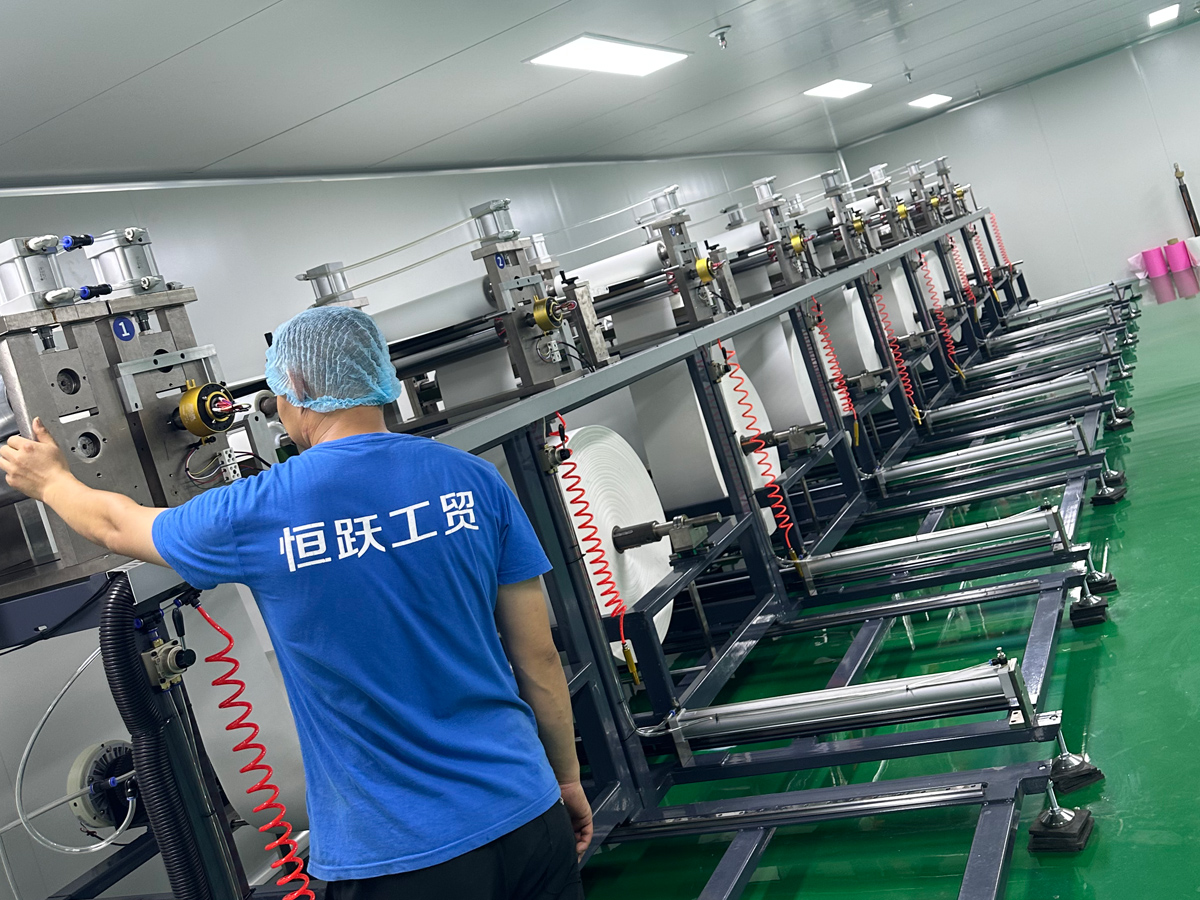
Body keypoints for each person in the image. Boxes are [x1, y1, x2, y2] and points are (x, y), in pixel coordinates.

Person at [0, 306, 590, 900]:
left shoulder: (260, 510)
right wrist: (566, 779)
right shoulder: (474, 480)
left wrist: (51, 481)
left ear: (299, 387)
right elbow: (538, 657)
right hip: (526, 812)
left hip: (396, 855)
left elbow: (113, 525)